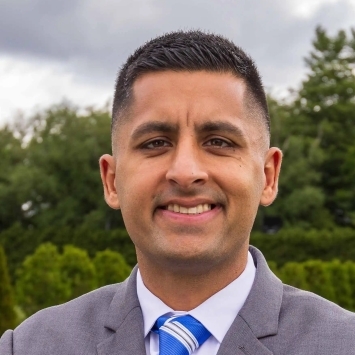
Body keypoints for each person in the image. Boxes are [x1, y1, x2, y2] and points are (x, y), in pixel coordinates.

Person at [1, 31, 355, 355]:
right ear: (111, 181)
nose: (185, 172)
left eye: (218, 142)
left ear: (268, 176)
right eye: (155, 143)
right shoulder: (31, 346)